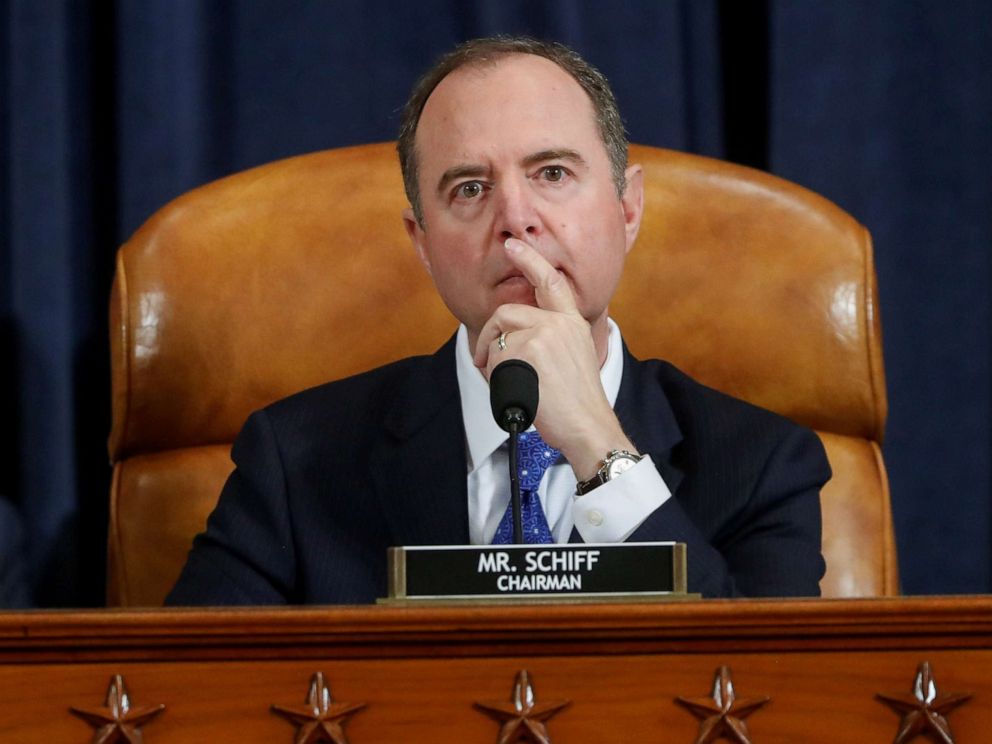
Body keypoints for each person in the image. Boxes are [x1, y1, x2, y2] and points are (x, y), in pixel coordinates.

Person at [167, 36, 829, 606]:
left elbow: (758, 702)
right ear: (421, 242)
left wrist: (599, 449)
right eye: (470, 189)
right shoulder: (295, 462)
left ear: (628, 210)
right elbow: (192, 698)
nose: (516, 218)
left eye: (552, 172)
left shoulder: (762, 465)